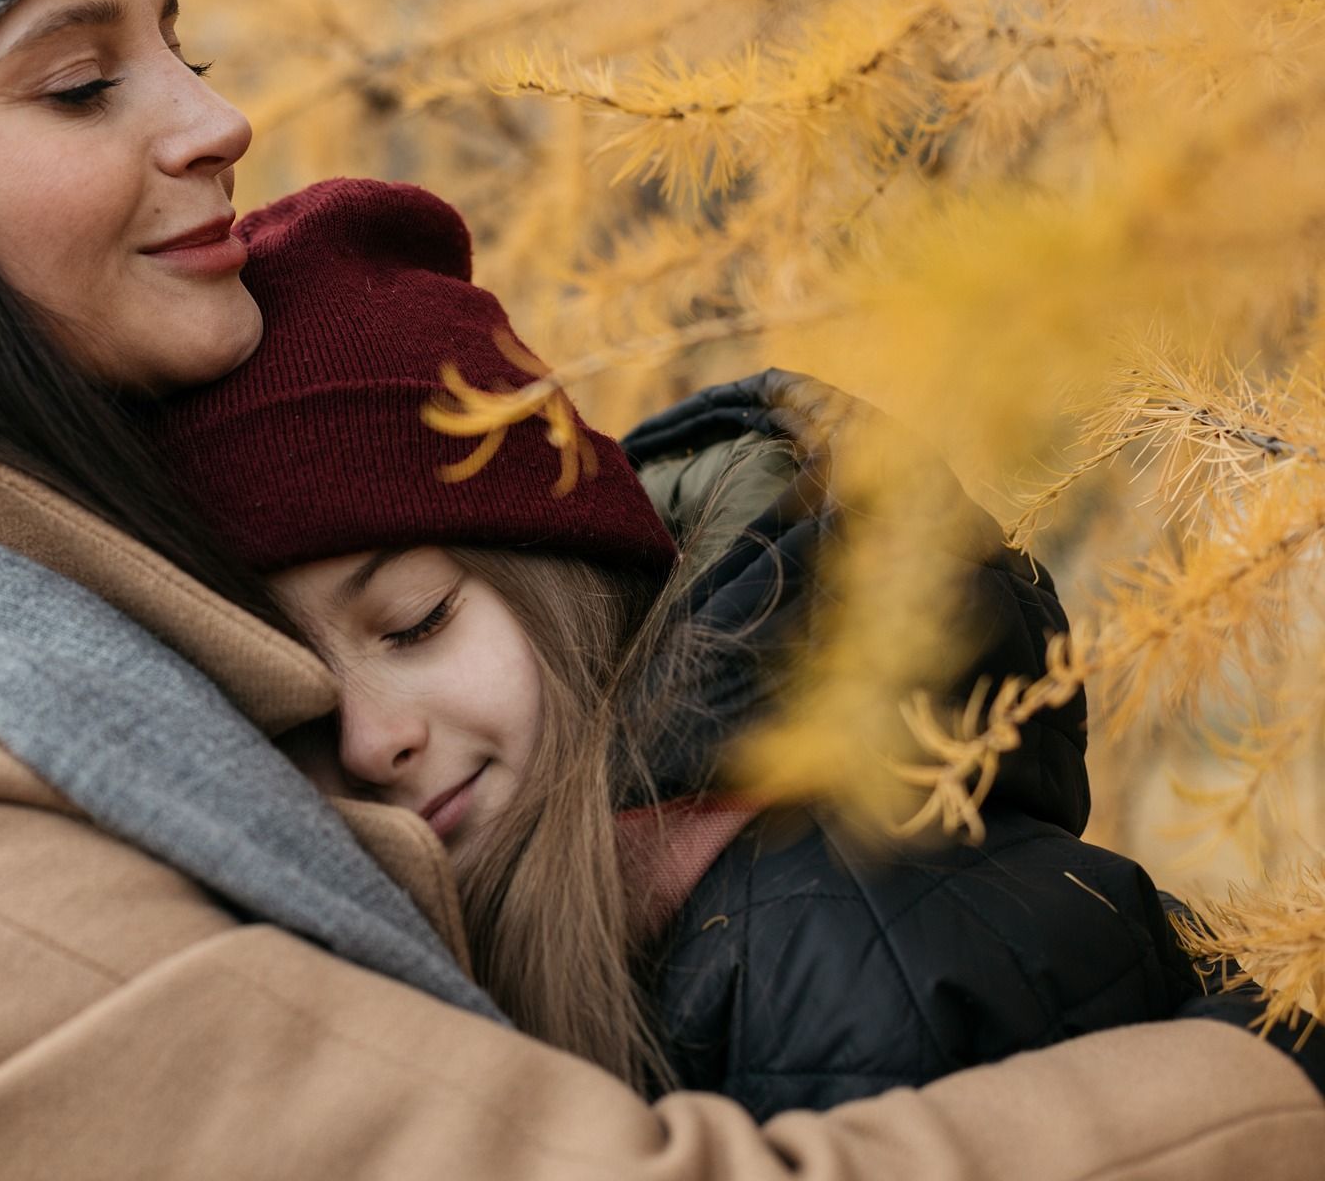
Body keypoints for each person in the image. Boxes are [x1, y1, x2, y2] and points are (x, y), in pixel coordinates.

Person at [0, 0, 1325, 1177]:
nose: (218, 117)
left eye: (172, 40)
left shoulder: (44, 592)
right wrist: (1269, 1101)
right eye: (82, 80)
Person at [145, 177, 1218, 1111]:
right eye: (293, 695)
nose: (375, 737)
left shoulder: (829, 938)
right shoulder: (558, 925)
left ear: (561, 570)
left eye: (420, 621)